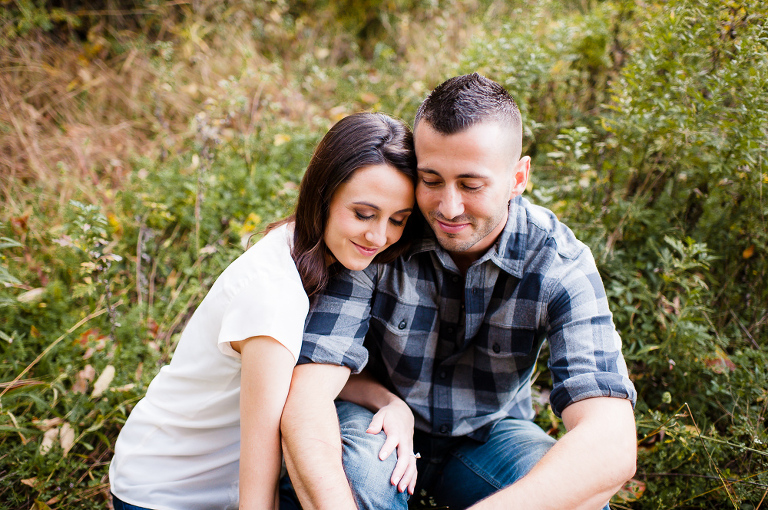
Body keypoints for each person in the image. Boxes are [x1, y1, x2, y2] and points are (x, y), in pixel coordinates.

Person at [280, 73, 638, 510]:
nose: (448, 208)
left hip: (489, 434)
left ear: (518, 176)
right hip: (378, 419)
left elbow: (612, 443)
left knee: (580, 495)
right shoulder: (382, 233)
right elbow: (308, 394)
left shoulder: (558, 263)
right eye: (431, 180)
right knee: (353, 486)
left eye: (471, 185)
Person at [108, 112, 422, 510]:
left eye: (397, 220)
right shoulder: (275, 296)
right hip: (168, 491)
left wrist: (390, 403)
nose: (379, 236)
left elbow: (299, 379)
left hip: (218, 482)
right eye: (363, 214)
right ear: (322, 195)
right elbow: (257, 493)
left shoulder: (313, 254)